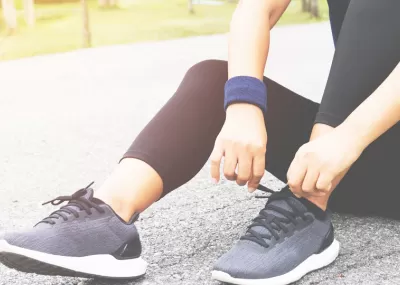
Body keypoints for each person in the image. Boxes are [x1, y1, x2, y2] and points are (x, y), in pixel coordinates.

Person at [1, 0, 399, 284]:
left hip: (357, 151)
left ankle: (307, 205)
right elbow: (256, 8)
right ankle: (109, 217)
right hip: (353, 160)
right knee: (213, 80)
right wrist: (244, 104)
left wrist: (347, 138)